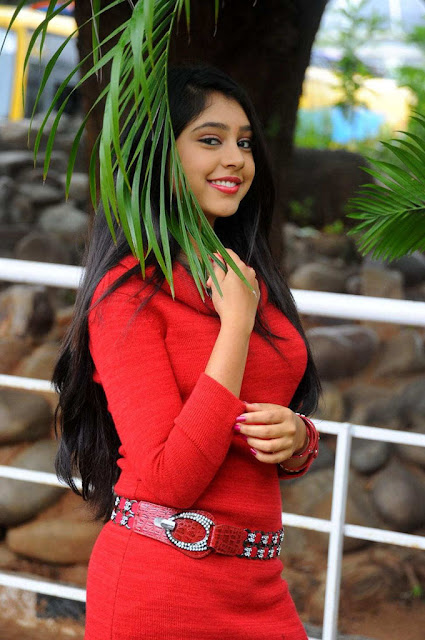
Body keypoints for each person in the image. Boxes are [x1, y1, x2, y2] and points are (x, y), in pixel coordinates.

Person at [52, 63, 321, 640]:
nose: (236, 159)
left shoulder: (243, 276)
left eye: (244, 142)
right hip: (161, 583)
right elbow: (166, 479)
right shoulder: (126, 294)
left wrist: (299, 441)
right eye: (210, 140)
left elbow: (263, 411)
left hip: (259, 582)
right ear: (159, 159)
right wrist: (235, 328)